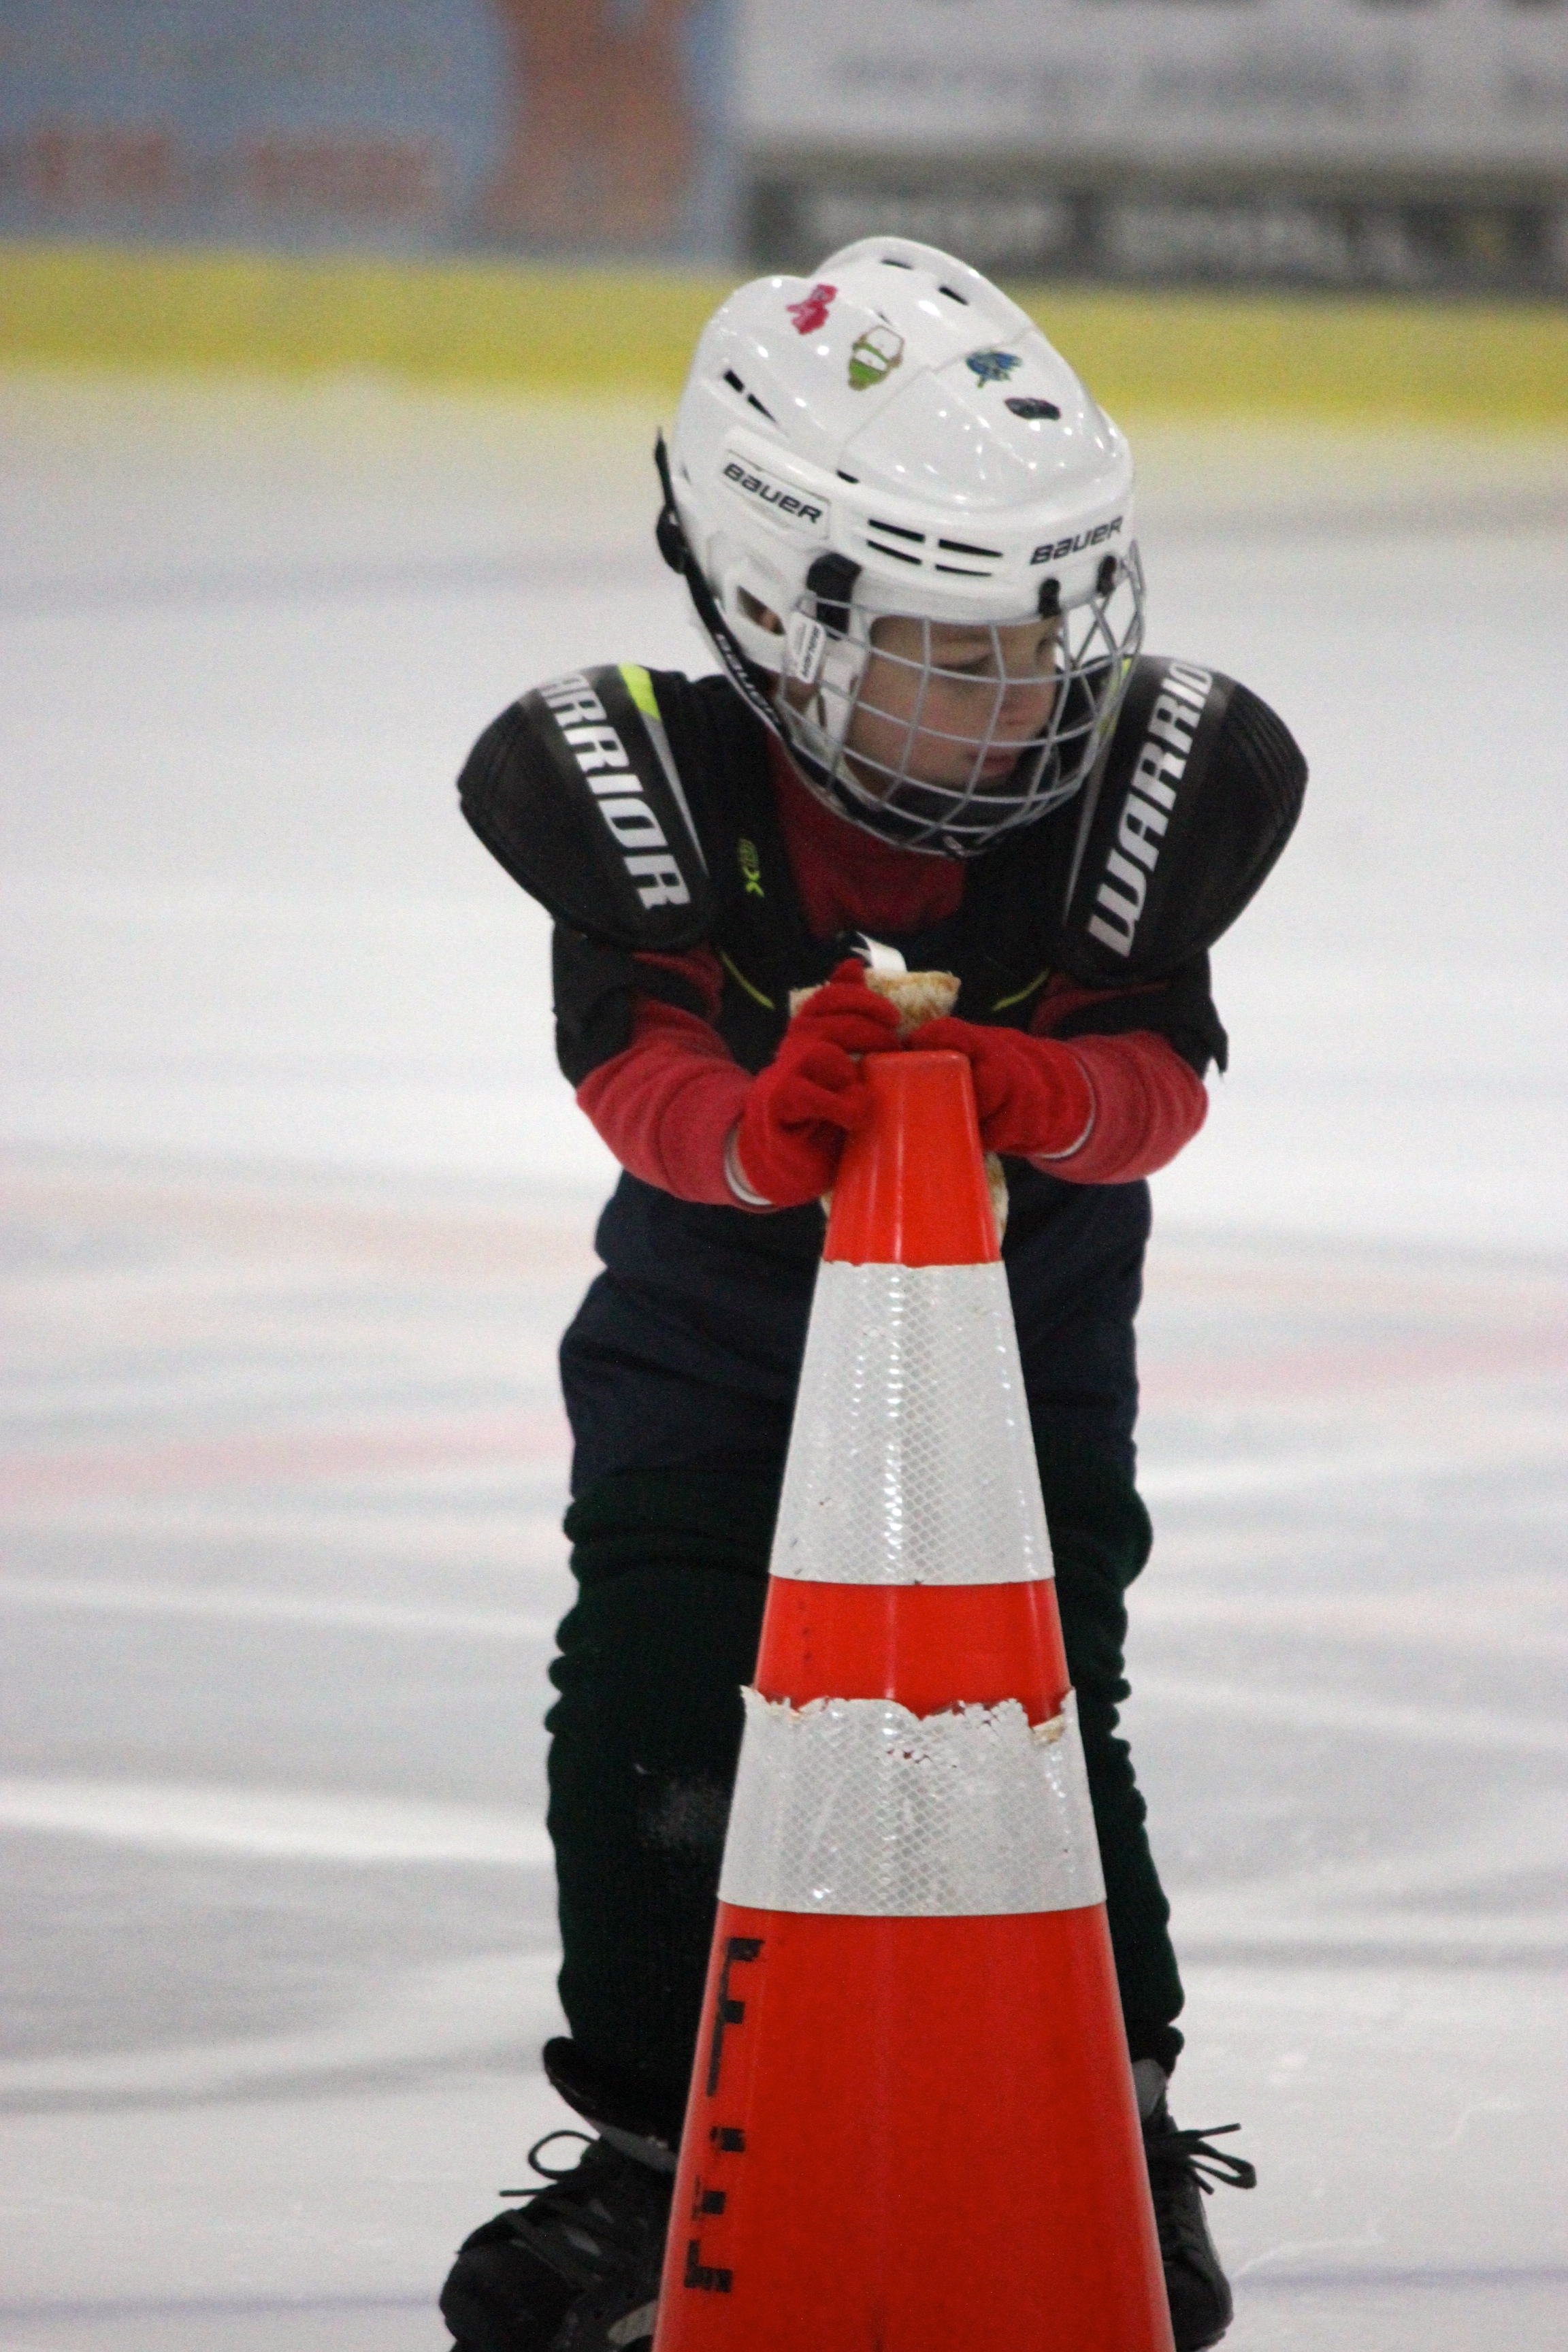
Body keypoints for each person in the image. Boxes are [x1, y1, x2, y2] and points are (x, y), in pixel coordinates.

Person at [440, 238, 1304, 2352]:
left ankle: (1118, 2122)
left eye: (1042, 640)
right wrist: (762, 1132)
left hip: (1026, 1365)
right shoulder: (629, 778)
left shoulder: (1148, 784)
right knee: (646, 1700)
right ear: (774, 606)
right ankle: (658, 2157)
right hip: (702, 1347)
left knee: (1041, 1708)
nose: (1021, 695)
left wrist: (1034, 1093)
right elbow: (630, 1076)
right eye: (950, 649)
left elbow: (1155, 1082)